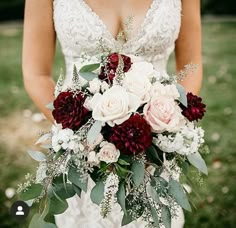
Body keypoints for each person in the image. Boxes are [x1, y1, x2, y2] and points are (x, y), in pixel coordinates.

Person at [22, 0, 202, 227]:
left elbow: (191, 64)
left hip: (155, 146)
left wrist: (166, 122)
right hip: (81, 147)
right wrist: (82, 134)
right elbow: (35, 73)